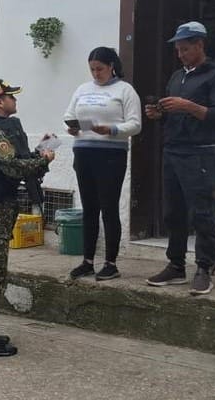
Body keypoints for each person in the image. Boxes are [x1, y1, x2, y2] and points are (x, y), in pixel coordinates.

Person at [0, 79, 54, 358]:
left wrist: (37, 152)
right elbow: (13, 166)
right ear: (0, 102)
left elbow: (14, 158)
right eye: (12, 98)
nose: (15, 101)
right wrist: (44, 160)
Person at [144, 22, 215, 295]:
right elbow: (175, 115)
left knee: (202, 212)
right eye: (178, 50)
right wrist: (160, 114)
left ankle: (205, 268)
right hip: (173, 149)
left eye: (185, 49)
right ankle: (176, 265)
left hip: (200, 151)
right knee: (173, 212)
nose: (180, 54)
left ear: (200, 46)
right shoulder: (176, 77)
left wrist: (188, 106)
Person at [63, 47, 142, 282]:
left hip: (111, 154)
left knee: (108, 207)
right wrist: (72, 127)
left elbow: (135, 124)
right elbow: (68, 114)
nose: (96, 74)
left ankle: (110, 262)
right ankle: (88, 261)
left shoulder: (125, 90)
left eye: (100, 69)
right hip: (84, 151)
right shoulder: (82, 89)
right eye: (92, 70)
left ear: (111, 66)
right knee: (89, 208)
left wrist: (113, 130)